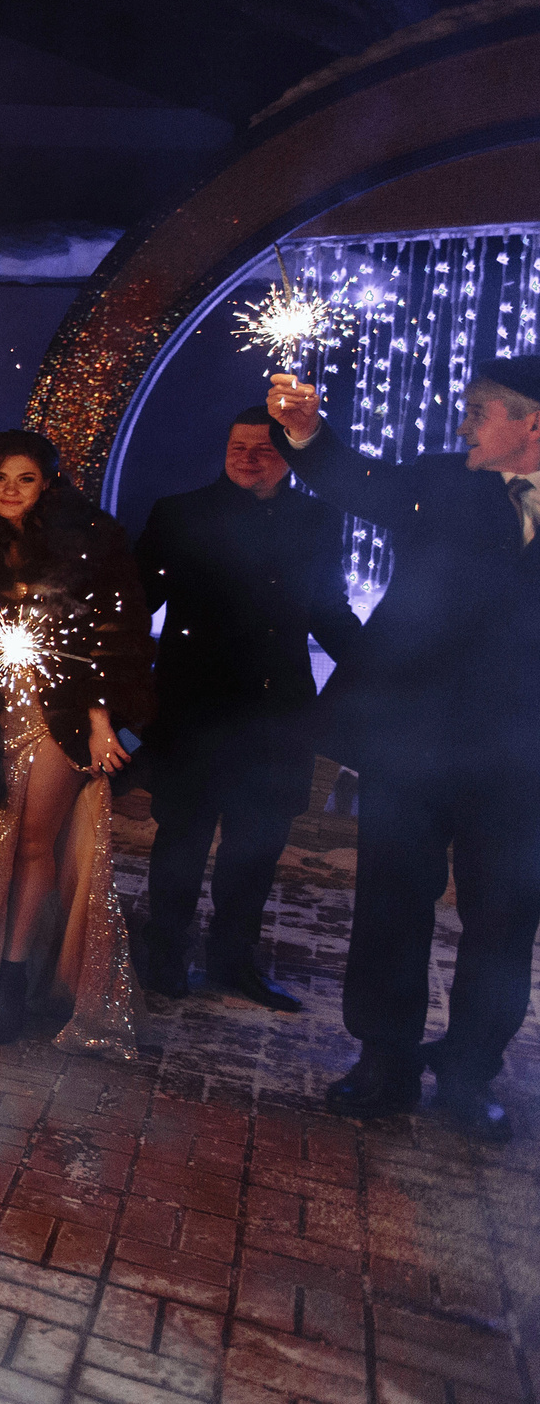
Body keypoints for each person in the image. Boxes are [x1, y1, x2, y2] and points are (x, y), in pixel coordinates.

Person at [266, 358, 540, 1136]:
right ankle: (382, 1061)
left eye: (482, 410)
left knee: (504, 920)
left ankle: (467, 1071)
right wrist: (303, 431)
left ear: (533, 423)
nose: (465, 422)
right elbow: (355, 480)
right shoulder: (441, 482)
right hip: (411, 746)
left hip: (521, 765)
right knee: (391, 905)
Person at [0, 431, 153, 1054]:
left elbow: (112, 629)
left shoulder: (87, 539)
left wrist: (101, 717)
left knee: (34, 844)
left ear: (48, 484)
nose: (10, 491)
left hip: (58, 712)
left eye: (26, 479)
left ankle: (13, 976)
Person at [134, 407, 363, 1011]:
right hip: (193, 708)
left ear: (290, 455)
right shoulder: (178, 512)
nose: (246, 457)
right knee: (180, 838)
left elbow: (329, 609)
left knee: (256, 845)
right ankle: (165, 953)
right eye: (237, 446)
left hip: (274, 712)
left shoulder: (316, 518)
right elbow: (134, 601)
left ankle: (234, 960)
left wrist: (384, 666)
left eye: (262, 448)